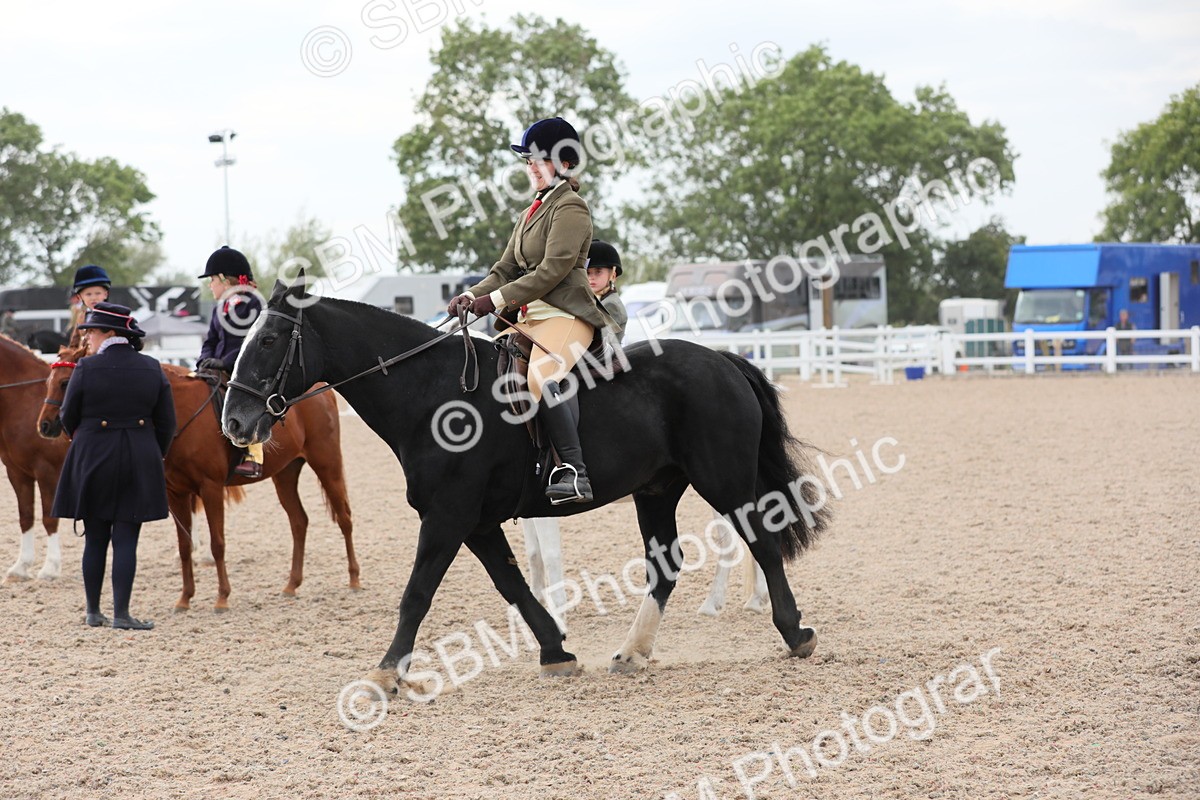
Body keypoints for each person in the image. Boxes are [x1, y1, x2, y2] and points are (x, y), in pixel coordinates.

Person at [446, 117, 612, 504]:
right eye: (528, 161)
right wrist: (471, 296)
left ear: (563, 163)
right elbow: (503, 270)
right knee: (485, 369)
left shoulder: (571, 207)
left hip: (566, 317)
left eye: (539, 159)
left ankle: (573, 472)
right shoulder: (528, 215)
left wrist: (497, 301)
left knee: (540, 378)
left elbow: (552, 270)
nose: (531, 167)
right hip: (530, 320)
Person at [51, 302, 176, 630]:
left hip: (93, 455)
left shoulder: (86, 369)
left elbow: (67, 416)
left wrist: (85, 441)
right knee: (126, 538)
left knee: (94, 538)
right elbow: (167, 423)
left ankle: (93, 611)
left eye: (91, 331)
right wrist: (152, 452)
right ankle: (121, 613)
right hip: (139, 455)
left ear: (109, 332)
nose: (87, 337)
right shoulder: (152, 368)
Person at [196, 246, 265, 478]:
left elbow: (249, 342)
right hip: (218, 367)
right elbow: (211, 339)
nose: (210, 285)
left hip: (245, 368)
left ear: (225, 280)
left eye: (212, 279)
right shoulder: (220, 309)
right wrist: (205, 359)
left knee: (247, 400)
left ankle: (253, 454)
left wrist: (224, 362)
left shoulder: (253, 304)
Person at [586, 239, 627, 342]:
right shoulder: (597, 301)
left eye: (598, 272)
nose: (591, 277)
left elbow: (601, 342)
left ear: (612, 275)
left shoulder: (611, 305)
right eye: (588, 273)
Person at [65, 265, 112, 348]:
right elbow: (74, 343)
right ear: (80, 297)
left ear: (106, 294)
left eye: (98, 293)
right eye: (88, 294)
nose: (93, 298)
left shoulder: (113, 316)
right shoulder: (81, 317)